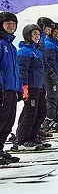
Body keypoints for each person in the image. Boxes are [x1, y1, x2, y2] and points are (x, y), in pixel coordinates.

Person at [14, 24, 50, 150]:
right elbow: (22, 71)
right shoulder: (24, 51)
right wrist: (24, 87)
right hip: (31, 87)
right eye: (34, 34)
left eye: (38, 34)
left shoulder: (37, 52)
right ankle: (23, 140)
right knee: (30, 113)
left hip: (39, 87)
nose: (37, 36)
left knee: (41, 112)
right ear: (28, 35)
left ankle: (33, 137)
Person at [0, 12, 22, 163]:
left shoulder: (11, 47)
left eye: (13, 24)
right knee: (1, 121)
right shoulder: (1, 44)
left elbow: (15, 71)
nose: (11, 26)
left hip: (12, 90)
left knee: (8, 122)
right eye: (8, 23)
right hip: (3, 90)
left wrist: (19, 89)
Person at [40, 22, 58, 132]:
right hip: (52, 77)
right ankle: (49, 120)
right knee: (52, 98)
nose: (57, 34)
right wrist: (53, 74)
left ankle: (57, 118)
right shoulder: (49, 44)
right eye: (55, 32)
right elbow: (50, 62)